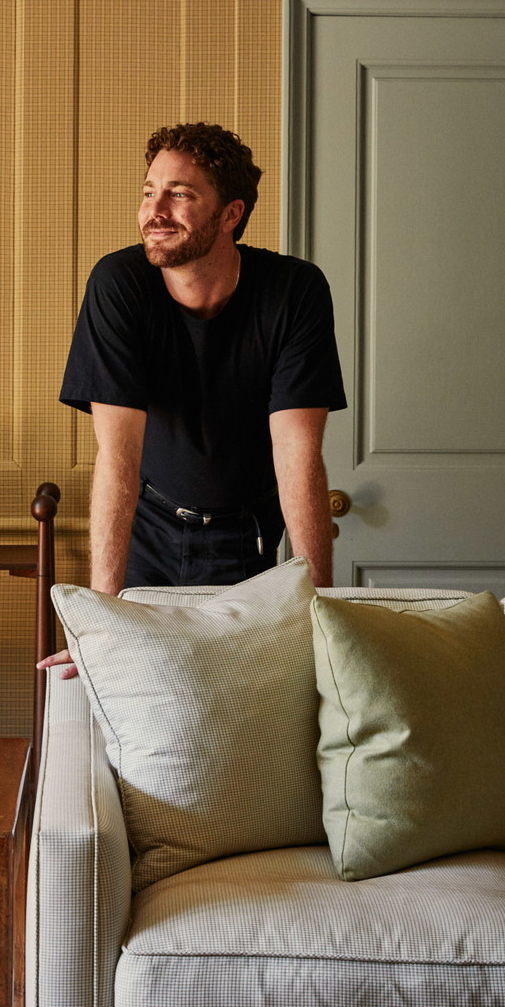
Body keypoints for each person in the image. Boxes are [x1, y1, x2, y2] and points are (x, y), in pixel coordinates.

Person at [40, 122, 346, 679]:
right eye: (149, 191)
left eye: (179, 194)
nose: (154, 210)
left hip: (248, 533)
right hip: (149, 529)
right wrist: (100, 617)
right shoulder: (119, 283)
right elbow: (117, 458)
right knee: (137, 683)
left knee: (250, 692)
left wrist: (319, 605)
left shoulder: (294, 291)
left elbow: (298, 453)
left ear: (231, 214)